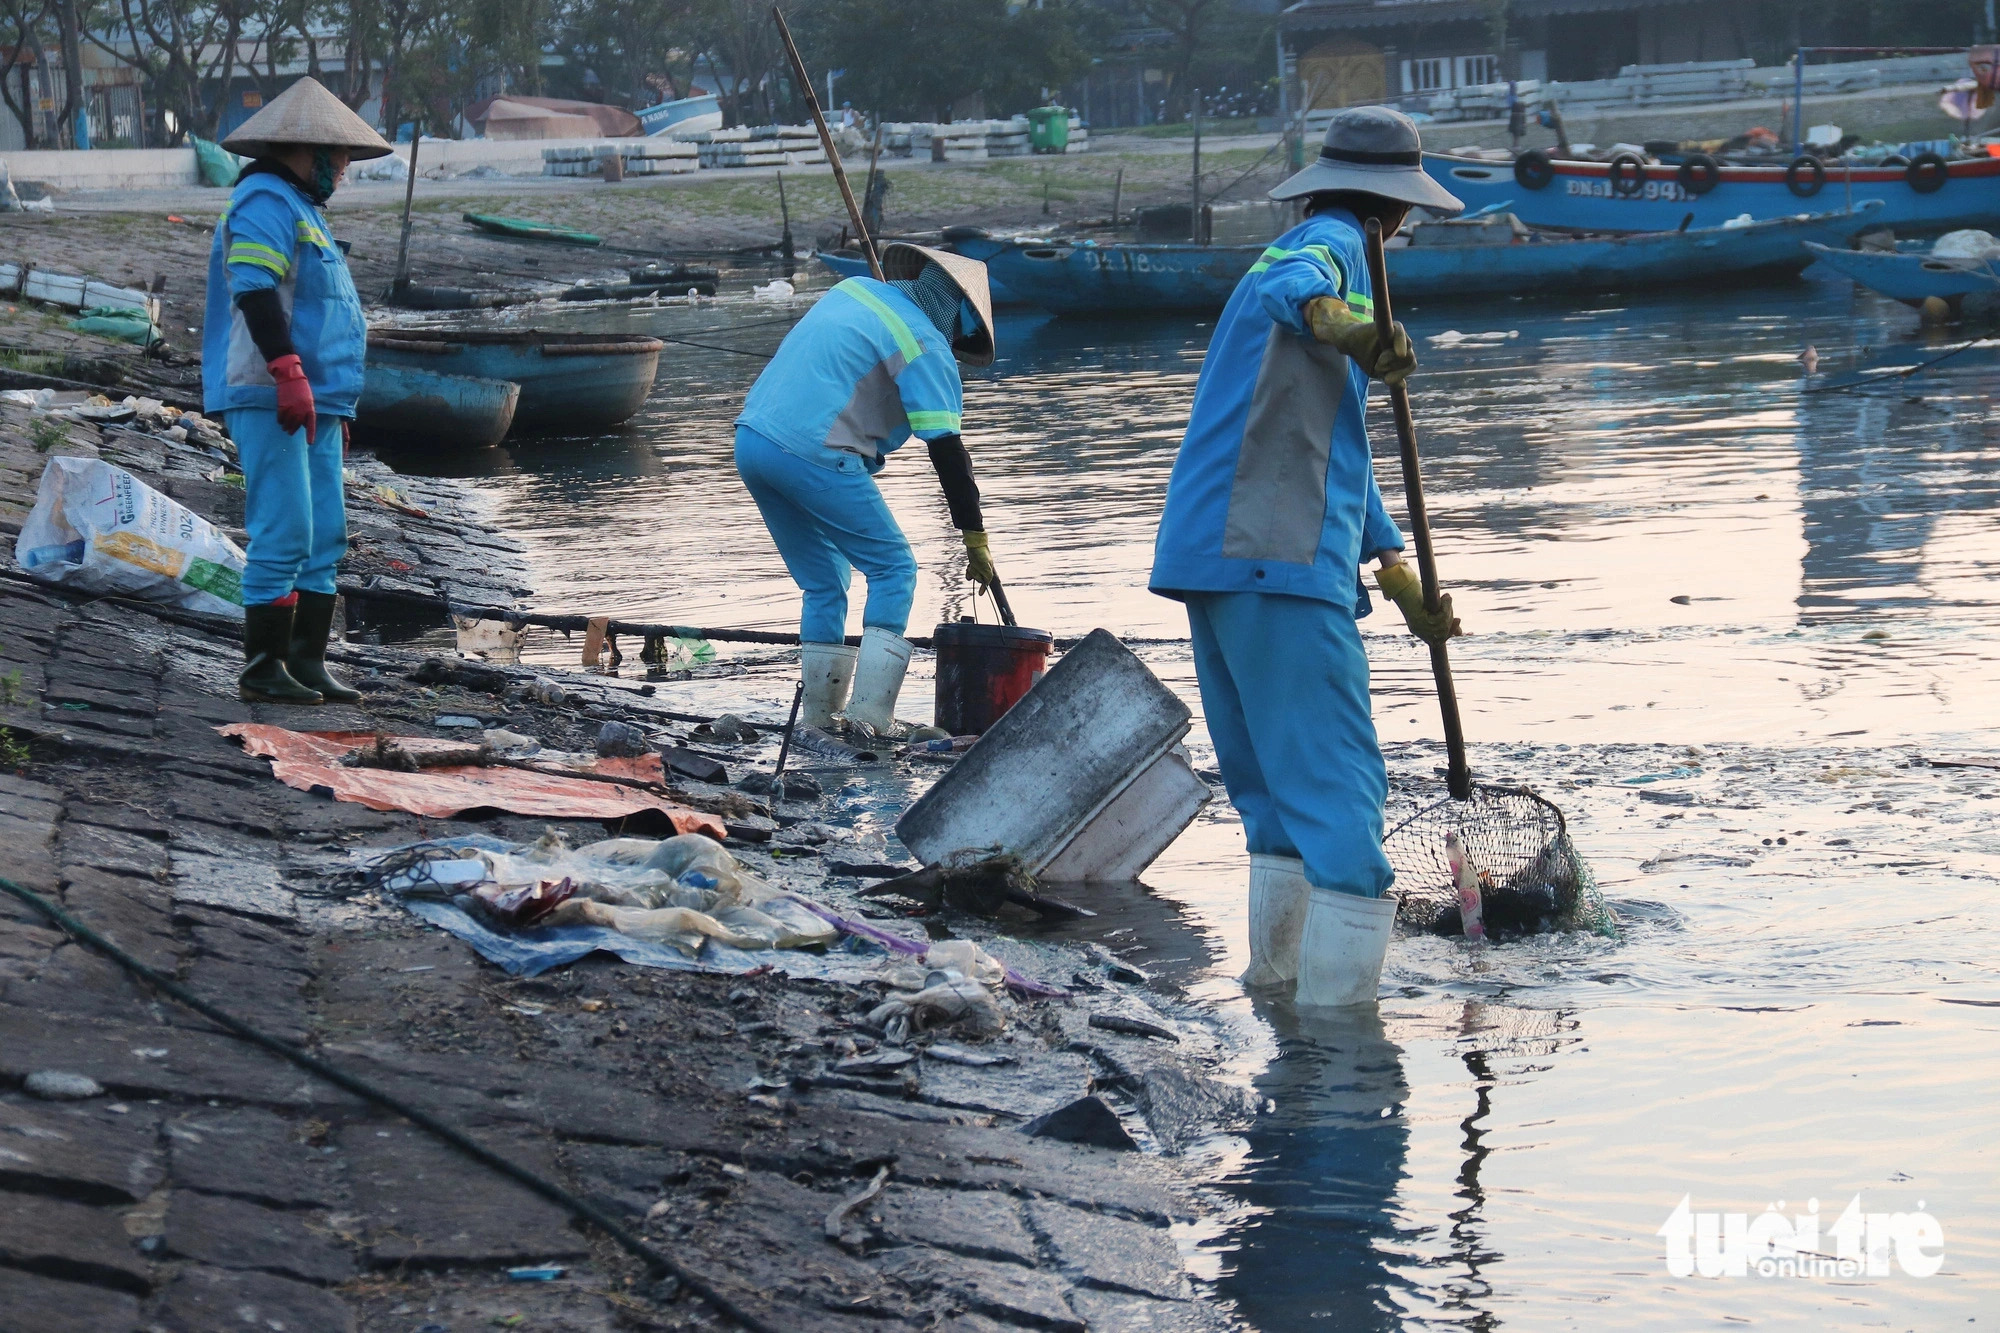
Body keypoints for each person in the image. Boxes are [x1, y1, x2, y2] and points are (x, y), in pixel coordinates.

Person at [1148, 106, 1466, 1008]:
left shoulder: (1316, 260)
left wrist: (1396, 572)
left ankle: (1277, 997)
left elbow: (1333, 453)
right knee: (1345, 810)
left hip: (1219, 557)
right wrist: (1352, 324)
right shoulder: (1331, 246)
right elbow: (1302, 284)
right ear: (1391, 211)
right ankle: (1343, 1055)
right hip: (1274, 558)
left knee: (1279, 808)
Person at [735, 244, 999, 732]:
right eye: (966, 327)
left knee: (824, 581)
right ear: (957, 309)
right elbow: (947, 452)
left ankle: (817, 719)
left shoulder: (853, 291)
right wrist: (974, 536)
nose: (960, 339)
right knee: (894, 568)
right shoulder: (925, 344)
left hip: (753, 443)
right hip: (811, 452)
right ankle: (871, 716)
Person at [202, 77, 392, 704]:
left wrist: (330, 400)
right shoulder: (264, 199)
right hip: (271, 393)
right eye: (338, 157)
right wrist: (287, 373)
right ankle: (262, 668)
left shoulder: (303, 207)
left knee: (325, 534)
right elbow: (253, 289)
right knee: (284, 529)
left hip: (321, 401)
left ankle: (307, 662)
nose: (343, 169)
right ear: (305, 151)